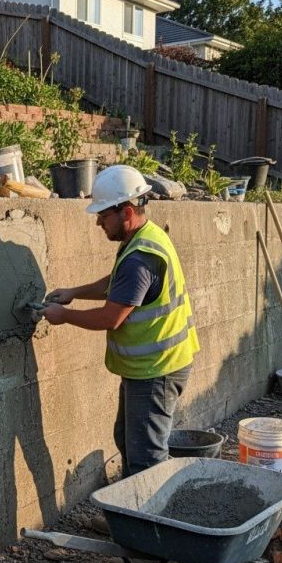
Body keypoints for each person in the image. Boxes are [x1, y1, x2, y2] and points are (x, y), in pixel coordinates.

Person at [42, 164, 199, 478]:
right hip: (155, 366)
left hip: (156, 371)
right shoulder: (146, 237)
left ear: (126, 212)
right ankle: (129, 514)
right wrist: (74, 292)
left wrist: (65, 316)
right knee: (128, 440)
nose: (98, 222)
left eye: (103, 215)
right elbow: (119, 285)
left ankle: (151, 524)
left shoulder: (140, 258)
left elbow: (111, 317)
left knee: (147, 460)